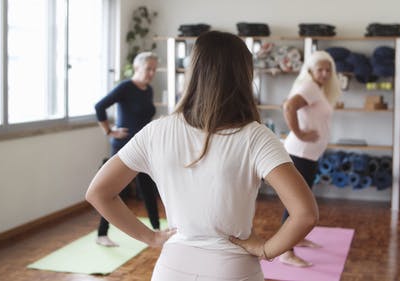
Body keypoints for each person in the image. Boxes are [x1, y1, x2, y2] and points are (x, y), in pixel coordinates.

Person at [86, 31, 319, 281]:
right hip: (232, 268)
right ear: (244, 76)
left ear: (193, 73)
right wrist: (265, 250)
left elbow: (98, 192)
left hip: (171, 268)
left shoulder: (156, 130)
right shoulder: (257, 137)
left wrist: (151, 237)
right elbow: (306, 214)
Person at [279, 50, 341, 267]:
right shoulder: (309, 87)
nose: (324, 73)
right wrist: (299, 133)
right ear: (310, 70)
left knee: (300, 201)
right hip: (300, 154)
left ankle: (297, 237)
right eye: (320, 69)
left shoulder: (316, 89)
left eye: (328, 69)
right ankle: (286, 252)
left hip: (308, 155)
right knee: (297, 205)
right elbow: (288, 106)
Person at [93, 52, 161, 247]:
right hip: (124, 147)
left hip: (143, 148)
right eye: (148, 68)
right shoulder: (125, 87)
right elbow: (99, 106)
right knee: (114, 192)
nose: (151, 73)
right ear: (137, 67)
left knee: (148, 188)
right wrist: (109, 131)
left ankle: (156, 230)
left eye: (154, 69)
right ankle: (101, 234)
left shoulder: (148, 90)